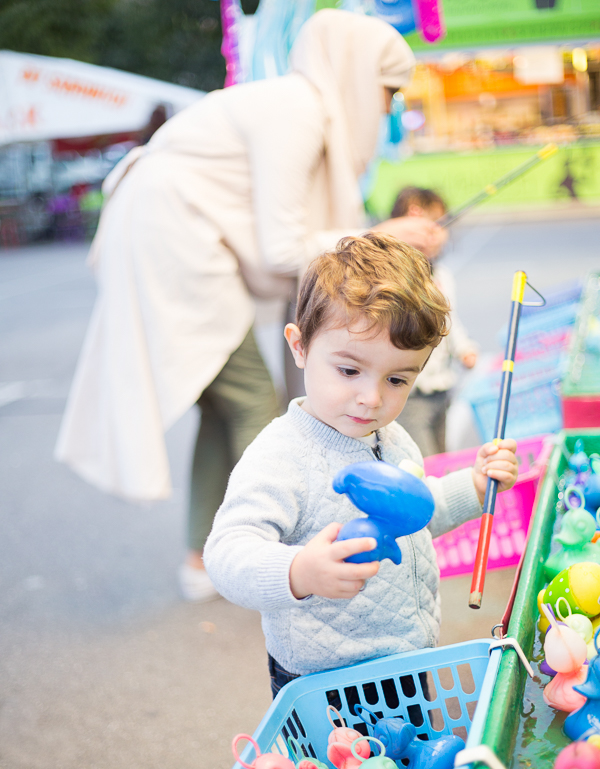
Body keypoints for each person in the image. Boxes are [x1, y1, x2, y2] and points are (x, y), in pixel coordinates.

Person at [55, 10, 448, 603]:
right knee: (249, 403)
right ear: (357, 74)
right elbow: (285, 247)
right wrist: (380, 236)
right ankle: (289, 557)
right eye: (387, 90)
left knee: (222, 404)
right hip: (178, 249)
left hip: (178, 245)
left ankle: (200, 558)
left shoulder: (290, 104)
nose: (389, 108)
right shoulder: (297, 111)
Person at [204, 233, 518, 697]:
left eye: (396, 379)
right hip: (327, 681)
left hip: (407, 657)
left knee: (407, 764)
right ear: (300, 346)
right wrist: (299, 572)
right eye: (349, 371)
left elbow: (413, 517)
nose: (371, 398)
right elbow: (227, 552)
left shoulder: (391, 436)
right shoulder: (281, 455)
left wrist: (472, 486)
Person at [391, 187, 478, 457]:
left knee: (442, 455)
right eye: (422, 226)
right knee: (421, 461)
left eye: (440, 225)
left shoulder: (443, 276)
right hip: (412, 395)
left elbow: (450, 320)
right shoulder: (393, 278)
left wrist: (463, 347)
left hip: (442, 389)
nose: (433, 234)